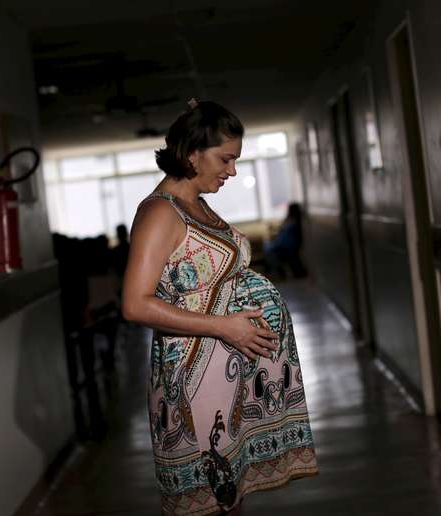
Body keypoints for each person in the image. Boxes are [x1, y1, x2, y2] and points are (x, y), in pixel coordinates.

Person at [122, 100, 318, 515]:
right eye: (225, 159)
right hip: (194, 381)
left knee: (230, 499)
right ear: (192, 153)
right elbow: (135, 305)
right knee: (211, 500)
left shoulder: (197, 205)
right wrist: (223, 327)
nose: (232, 170)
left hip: (225, 377)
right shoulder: (159, 213)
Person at [263, 203, 307, 279]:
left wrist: (274, 243)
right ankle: (275, 270)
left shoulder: (292, 223)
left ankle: (277, 271)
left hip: (287, 246)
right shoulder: (292, 221)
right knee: (267, 247)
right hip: (285, 244)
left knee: (269, 250)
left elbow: (284, 238)